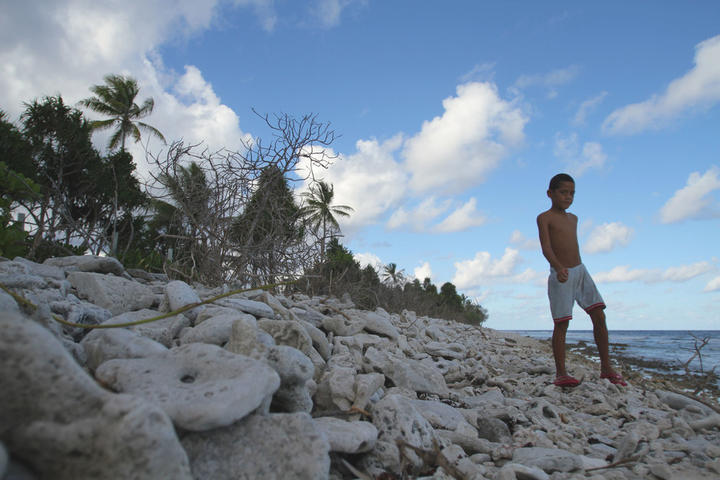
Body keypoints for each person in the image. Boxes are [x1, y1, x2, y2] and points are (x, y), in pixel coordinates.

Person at [537, 173, 627, 387]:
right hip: (561, 274)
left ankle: (606, 368)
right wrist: (558, 267)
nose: (568, 197)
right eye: (563, 193)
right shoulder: (544, 217)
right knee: (562, 323)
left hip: (580, 270)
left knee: (599, 314)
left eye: (572, 193)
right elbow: (546, 247)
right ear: (550, 194)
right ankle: (561, 373)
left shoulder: (574, 218)